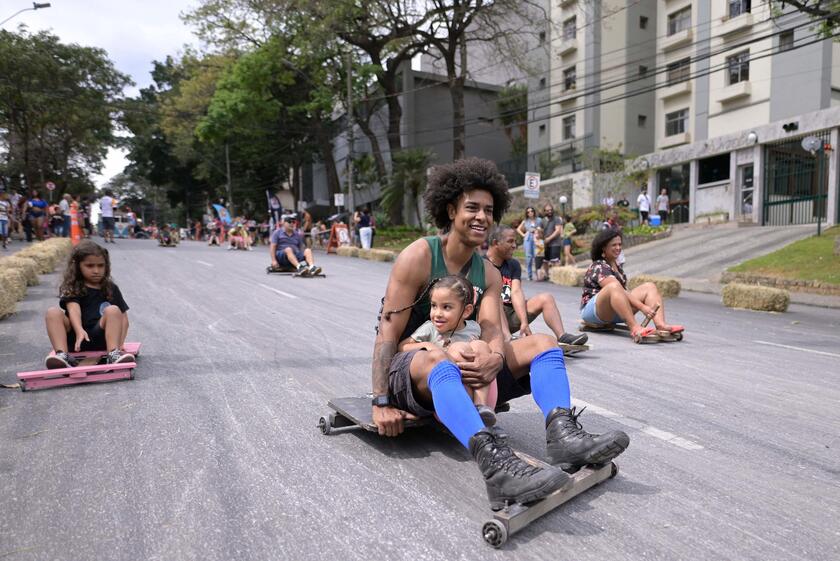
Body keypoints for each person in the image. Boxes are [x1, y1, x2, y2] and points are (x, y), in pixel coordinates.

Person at [371, 157, 628, 510]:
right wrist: (381, 401)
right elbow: (388, 333)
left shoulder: (488, 273)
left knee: (542, 342)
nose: (481, 217)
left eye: (488, 210)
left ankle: (563, 435)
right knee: (436, 355)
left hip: (466, 371)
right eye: (472, 208)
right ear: (450, 209)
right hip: (414, 371)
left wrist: (492, 357)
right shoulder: (419, 255)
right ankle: (496, 466)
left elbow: (494, 330)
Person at [398, 275, 499, 427]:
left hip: (479, 392)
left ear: (466, 311)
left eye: (446, 307)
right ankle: (470, 413)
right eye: (434, 306)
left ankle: (481, 407)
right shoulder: (429, 328)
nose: (437, 313)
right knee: (460, 348)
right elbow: (402, 347)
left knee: (481, 346)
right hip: (448, 396)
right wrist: (428, 345)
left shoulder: (474, 327)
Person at [486, 225, 588, 346]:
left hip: (510, 315)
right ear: (495, 243)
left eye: (515, 241)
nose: (514, 245)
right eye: (510, 241)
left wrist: (524, 322)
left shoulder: (513, 264)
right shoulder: (482, 264)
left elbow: (516, 292)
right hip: (490, 318)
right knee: (495, 298)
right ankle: (507, 338)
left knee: (546, 298)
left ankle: (562, 336)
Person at [580, 229, 684, 342]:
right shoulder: (599, 266)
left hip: (616, 310)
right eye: (614, 245)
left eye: (620, 244)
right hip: (595, 312)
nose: (618, 248)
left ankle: (661, 324)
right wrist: (642, 307)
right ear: (603, 248)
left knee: (650, 286)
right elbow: (616, 289)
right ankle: (634, 327)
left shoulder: (616, 266)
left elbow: (623, 293)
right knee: (614, 286)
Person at [44, 240, 134, 369]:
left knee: (113, 310)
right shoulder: (73, 286)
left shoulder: (111, 288)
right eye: (90, 266)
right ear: (78, 266)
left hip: (102, 338)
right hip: (75, 340)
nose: (96, 270)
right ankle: (62, 355)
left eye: (101, 265)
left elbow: (123, 319)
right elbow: (73, 309)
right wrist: (79, 330)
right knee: (52, 312)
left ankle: (113, 354)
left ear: (106, 266)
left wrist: (120, 344)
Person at [516, 206, 541, 281]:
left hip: (537, 238)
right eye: (528, 212)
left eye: (531, 211)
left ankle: (538, 275)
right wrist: (523, 235)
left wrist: (539, 230)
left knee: (538, 256)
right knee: (529, 257)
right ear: (526, 213)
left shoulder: (539, 220)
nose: (530, 213)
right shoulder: (525, 221)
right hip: (528, 239)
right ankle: (529, 275)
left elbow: (542, 228)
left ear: (534, 212)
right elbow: (518, 229)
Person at [542, 203, 563, 268]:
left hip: (555, 244)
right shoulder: (543, 220)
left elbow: (557, 231)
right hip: (545, 245)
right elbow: (540, 231)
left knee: (555, 261)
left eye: (551, 210)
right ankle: (546, 276)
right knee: (545, 261)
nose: (550, 211)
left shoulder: (556, 219)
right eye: (547, 210)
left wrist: (548, 239)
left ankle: (557, 276)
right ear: (544, 211)